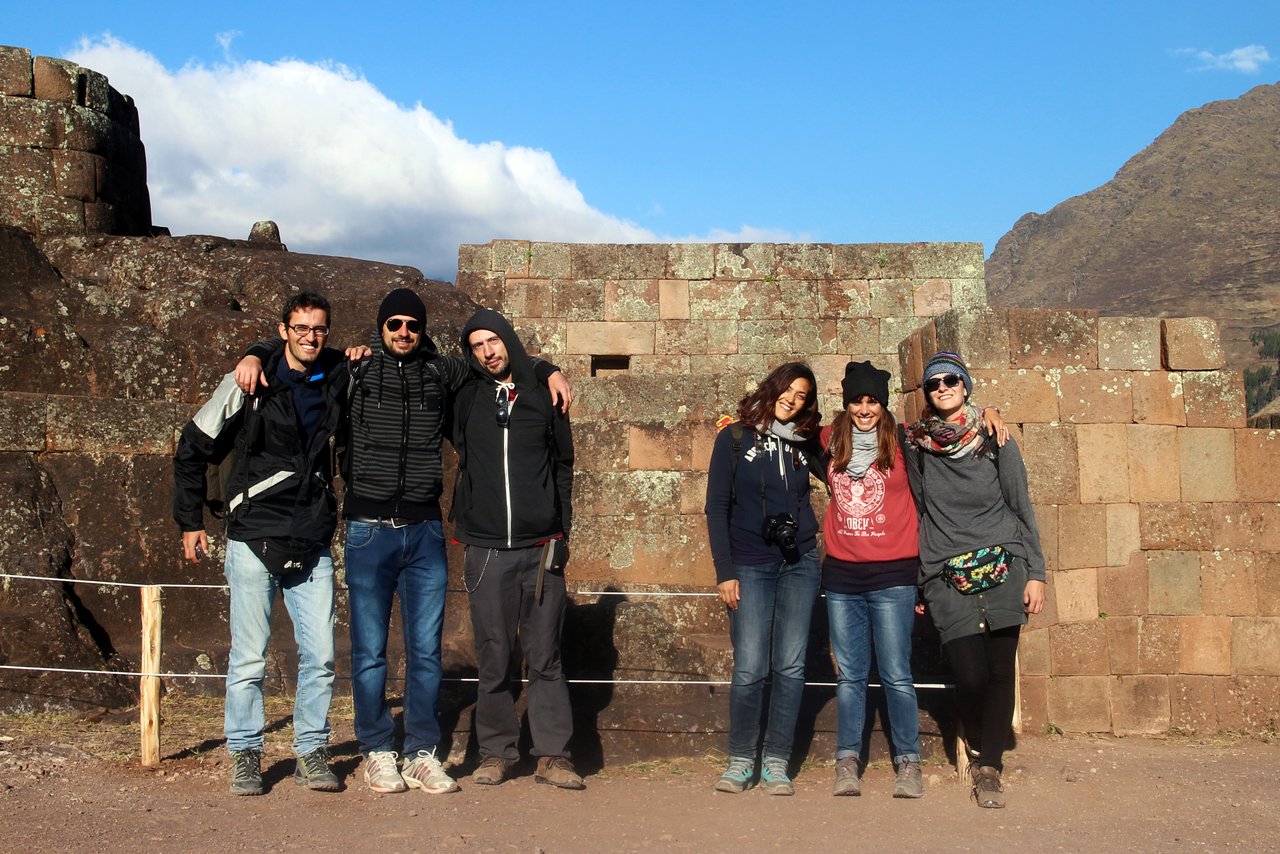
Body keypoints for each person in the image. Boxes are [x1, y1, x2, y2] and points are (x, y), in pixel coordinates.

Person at [236, 288, 569, 796]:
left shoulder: (443, 371)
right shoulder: (354, 368)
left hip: (425, 530)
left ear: (423, 329)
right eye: (394, 324)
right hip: (369, 529)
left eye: (412, 324)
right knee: (369, 652)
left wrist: (547, 368)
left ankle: (421, 752)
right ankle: (376, 750)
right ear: (382, 327)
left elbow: (498, 360)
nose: (404, 332)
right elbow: (298, 353)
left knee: (425, 652)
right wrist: (254, 352)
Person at [172, 291, 344, 796]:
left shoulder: (334, 374)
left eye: (319, 329)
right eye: (301, 328)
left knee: (322, 657)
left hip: (311, 538)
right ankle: (245, 753)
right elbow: (190, 447)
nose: (310, 337)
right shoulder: (247, 381)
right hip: (252, 538)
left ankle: (311, 751)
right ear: (285, 329)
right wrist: (190, 522)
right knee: (249, 658)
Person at [821, 360, 1006, 799]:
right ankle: (847, 760)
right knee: (850, 676)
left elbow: (950, 425)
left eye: (872, 401)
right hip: (843, 577)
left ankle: (908, 761)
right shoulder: (829, 440)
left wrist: (990, 410)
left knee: (896, 673)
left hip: (893, 575)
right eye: (856, 400)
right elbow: (785, 423)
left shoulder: (906, 440)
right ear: (846, 404)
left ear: (883, 404)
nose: (864, 409)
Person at [904, 351, 1046, 809]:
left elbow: (1020, 504)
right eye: (933, 383)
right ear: (926, 394)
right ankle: (981, 744)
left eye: (950, 380)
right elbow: (922, 509)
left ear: (966, 386)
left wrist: (1037, 573)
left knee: (1001, 671)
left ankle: (989, 768)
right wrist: (924, 576)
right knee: (969, 673)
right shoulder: (917, 446)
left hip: (1004, 563)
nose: (942, 387)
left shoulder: (994, 436)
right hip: (947, 568)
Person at [450, 308, 581, 789]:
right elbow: (438, 368)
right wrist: (548, 364)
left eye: (494, 341)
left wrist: (562, 534)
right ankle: (496, 753)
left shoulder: (545, 398)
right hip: (486, 550)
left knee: (545, 656)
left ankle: (554, 755)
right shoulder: (465, 397)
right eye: (478, 345)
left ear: (509, 339)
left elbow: (563, 468)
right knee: (494, 653)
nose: (488, 351)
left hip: (542, 546)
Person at [704, 362, 825, 796]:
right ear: (773, 389)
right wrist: (725, 571)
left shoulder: (806, 443)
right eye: (788, 391)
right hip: (750, 562)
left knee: (791, 666)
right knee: (751, 665)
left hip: (800, 561)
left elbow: (853, 459)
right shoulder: (734, 438)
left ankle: (776, 761)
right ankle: (741, 760)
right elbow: (717, 507)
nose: (793, 400)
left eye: (803, 396)